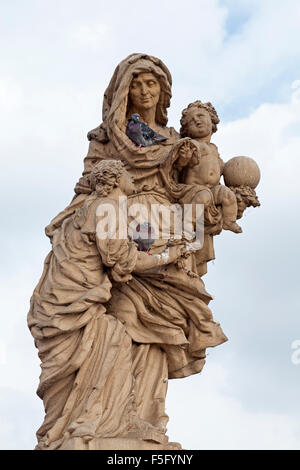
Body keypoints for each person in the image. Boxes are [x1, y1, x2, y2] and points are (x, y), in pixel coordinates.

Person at [28, 54, 227, 450]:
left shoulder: (175, 140)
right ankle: (103, 417)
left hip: (164, 228)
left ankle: (144, 420)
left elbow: (192, 194)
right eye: (136, 84)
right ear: (124, 92)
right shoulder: (106, 138)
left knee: (158, 331)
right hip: (124, 231)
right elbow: (89, 187)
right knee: (120, 321)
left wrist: (212, 204)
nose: (145, 91)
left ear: (163, 91)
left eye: (152, 84)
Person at [177, 100, 242, 233]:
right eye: (191, 120)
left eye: (200, 116)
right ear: (186, 129)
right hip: (193, 190)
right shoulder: (190, 144)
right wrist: (185, 157)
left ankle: (229, 221)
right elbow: (179, 166)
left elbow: (219, 165)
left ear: (212, 121)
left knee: (228, 195)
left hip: (213, 189)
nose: (197, 121)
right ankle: (187, 224)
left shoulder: (214, 148)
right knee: (204, 197)